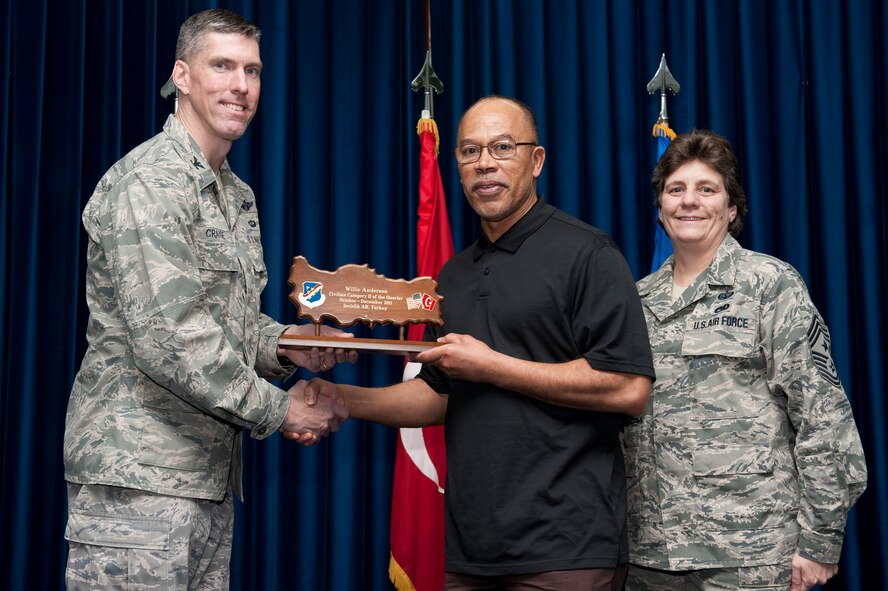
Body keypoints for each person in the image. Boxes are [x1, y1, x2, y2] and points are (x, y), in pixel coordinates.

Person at [284, 96, 655, 590]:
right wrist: (343, 399)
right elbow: (438, 392)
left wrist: (492, 366)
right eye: (469, 151)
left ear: (536, 160)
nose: (485, 163)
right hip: (470, 553)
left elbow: (628, 388)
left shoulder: (588, 254)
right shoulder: (453, 276)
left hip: (566, 550)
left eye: (503, 147)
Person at [63, 9, 353, 589]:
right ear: (183, 76)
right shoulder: (150, 181)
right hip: (137, 481)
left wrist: (293, 345)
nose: (240, 85)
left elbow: (230, 323)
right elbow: (172, 339)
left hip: (203, 478)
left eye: (252, 70)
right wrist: (282, 409)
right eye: (221, 66)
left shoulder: (233, 194)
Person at [623, 129, 867, 591]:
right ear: (660, 210)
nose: (688, 201)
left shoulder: (770, 284)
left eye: (706, 189)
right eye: (675, 190)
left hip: (750, 554)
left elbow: (823, 417)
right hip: (649, 557)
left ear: (731, 208)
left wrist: (820, 541)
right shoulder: (635, 300)